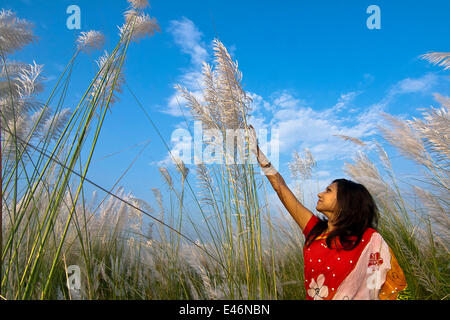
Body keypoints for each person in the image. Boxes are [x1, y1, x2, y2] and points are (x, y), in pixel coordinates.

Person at [248, 125, 408, 300]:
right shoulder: (314, 230)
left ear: (346, 201)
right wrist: (257, 152)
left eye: (329, 191)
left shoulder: (369, 239)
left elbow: (394, 286)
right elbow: (280, 187)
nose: (320, 193)